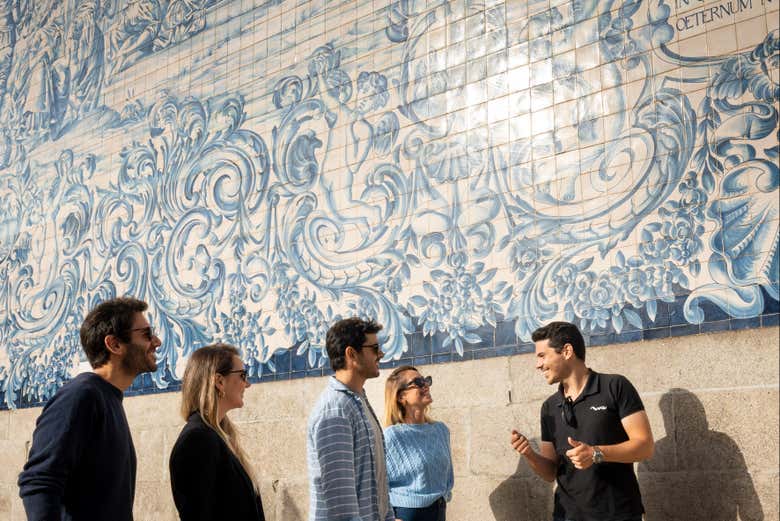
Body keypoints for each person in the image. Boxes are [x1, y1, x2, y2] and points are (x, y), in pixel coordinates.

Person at [18, 296, 161, 521]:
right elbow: (39, 482)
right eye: (146, 334)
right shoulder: (81, 396)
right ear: (114, 344)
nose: (157, 341)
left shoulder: (107, 398)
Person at [510, 321, 654, 521]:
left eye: (542, 355)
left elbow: (645, 446)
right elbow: (551, 472)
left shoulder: (615, 386)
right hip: (566, 516)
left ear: (567, 351)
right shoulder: (549, 407)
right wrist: (529, 454)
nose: (538, 364)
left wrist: (596, 453)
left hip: (618, 514)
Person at [307, 317, 396, 521]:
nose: (380, 354)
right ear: (351, 354)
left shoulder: (357, 401)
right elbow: (341, 504)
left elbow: (378, 484)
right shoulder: (335, 411)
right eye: (374, 348)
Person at [169, 343, 265, 521]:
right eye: (242, 376)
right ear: (219, 382)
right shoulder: (197, 440)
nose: (248, 384)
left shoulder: (216, 435)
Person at [383, 366, 453, 521]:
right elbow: (376, 484)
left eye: (426, 380)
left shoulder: (441, 431)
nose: (426, 385)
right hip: (406, 515)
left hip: (439, 511)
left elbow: (447, 477)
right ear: (401, 397)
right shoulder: (391, 436)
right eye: (418, 382)